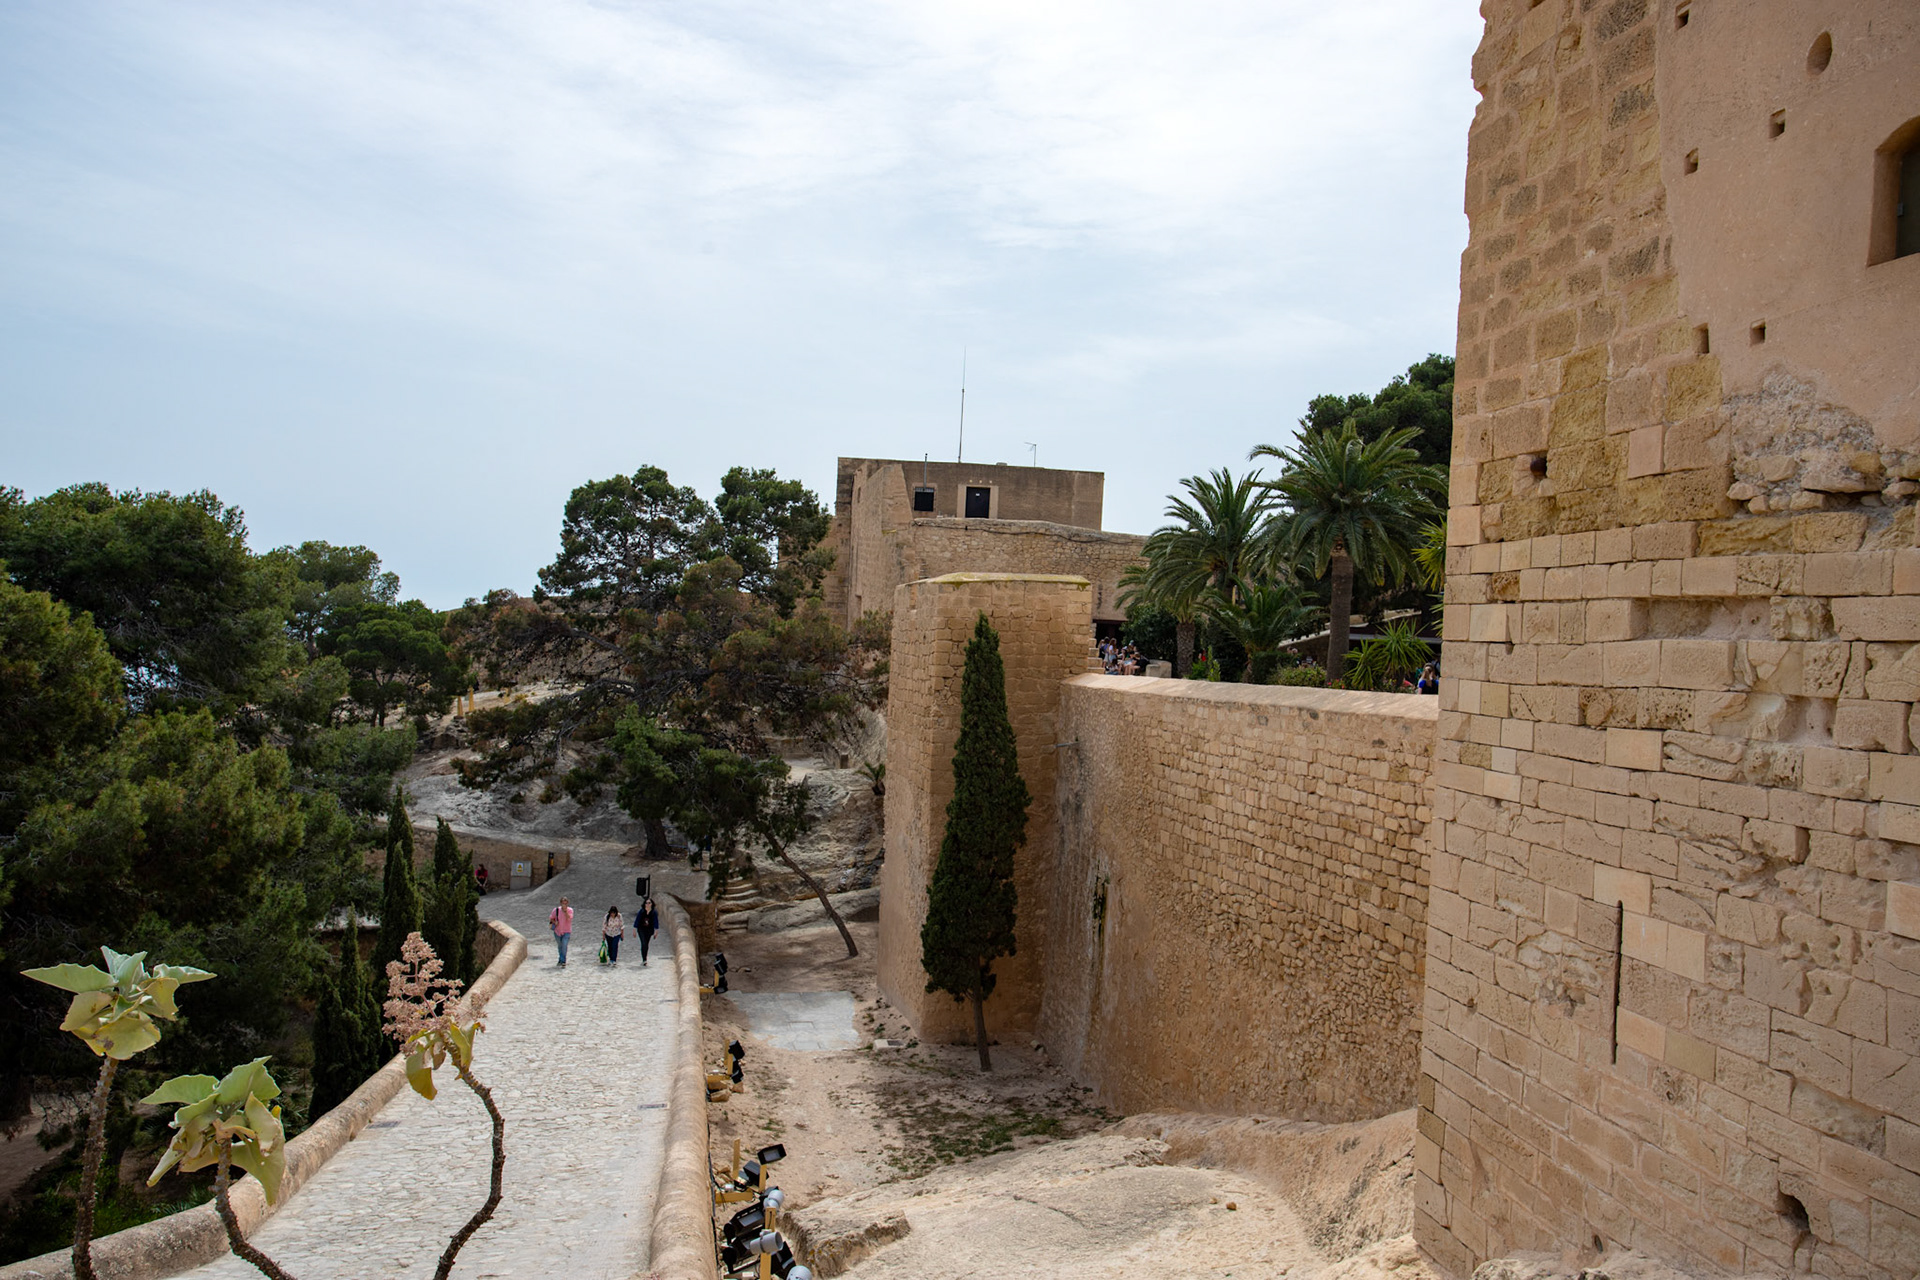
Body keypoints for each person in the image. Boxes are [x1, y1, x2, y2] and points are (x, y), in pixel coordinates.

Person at [635, 897, 660, 966]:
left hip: (649, 930)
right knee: (643, 943)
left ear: (652, 904)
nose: (648, 904)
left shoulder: (654, 912)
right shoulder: (642, 911)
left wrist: (656, 931)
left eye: (649, 903)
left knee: (646, 944)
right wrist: (634, 930)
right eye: (646, 903)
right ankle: (644, 959)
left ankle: (645, 957)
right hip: (641, 929)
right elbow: (637, 920)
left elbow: (656, 922)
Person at [549, 896, 574, 967]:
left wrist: (565, 911)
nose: (564, 905)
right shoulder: (556, 910)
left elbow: (569, 918)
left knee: (564, 945)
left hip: (566, 931)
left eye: (565, 904)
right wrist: (555, 921)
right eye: (563, 903)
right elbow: (551, 918)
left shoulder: (570, 910)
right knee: (560, 946)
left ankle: (563, 961)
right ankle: (561, 958)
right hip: (557, 931)